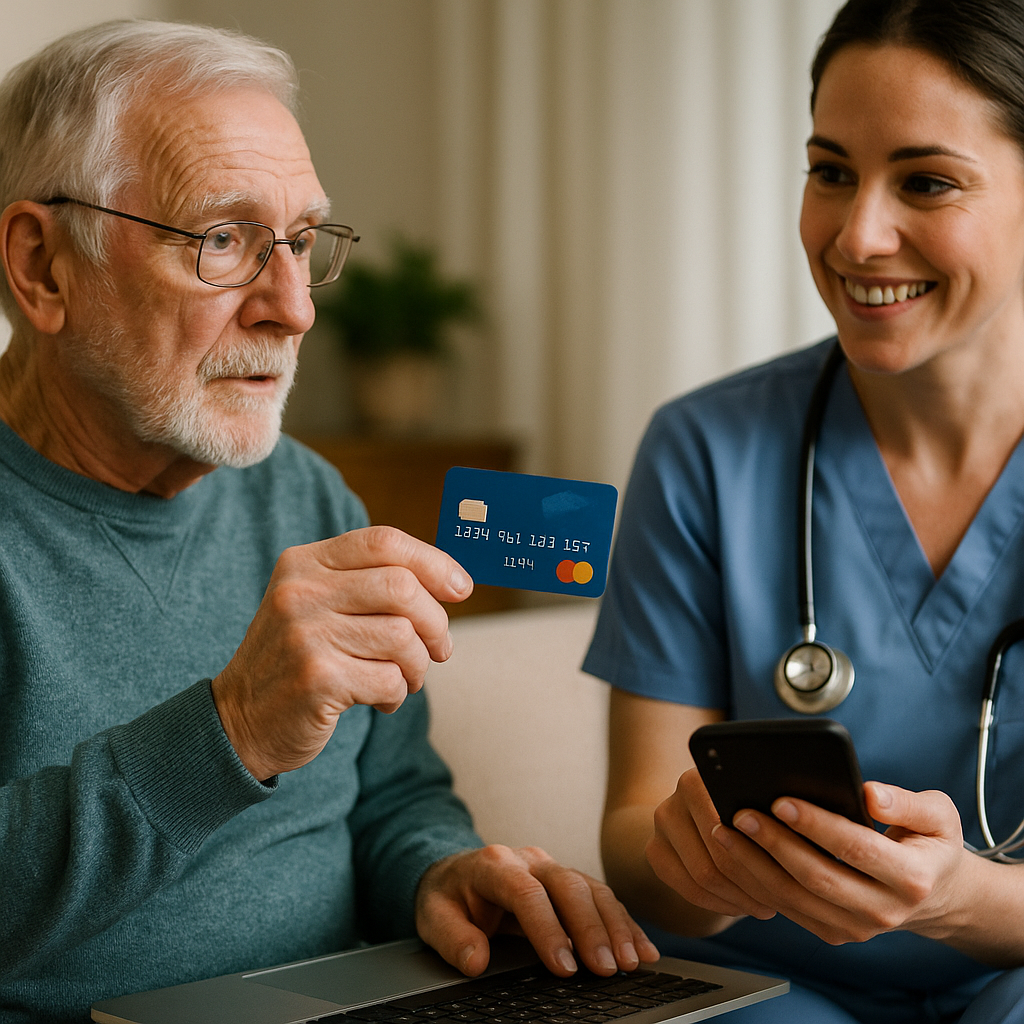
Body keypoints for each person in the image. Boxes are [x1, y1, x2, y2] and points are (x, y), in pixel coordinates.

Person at [0, 20, 658, 1022]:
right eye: (222, 239)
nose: (293, 307)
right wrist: (232, 730)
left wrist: (439, 877)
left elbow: (394, 798)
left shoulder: (307, 498)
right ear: (43, 267)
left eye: (300, 242)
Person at [583, 0, 1024, 1020]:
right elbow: (632, 846)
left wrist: (955, 898)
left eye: (924, 181)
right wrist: (688, 858)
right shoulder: (705, 449)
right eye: (830, 171)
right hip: (770, 989)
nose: (857, 235)